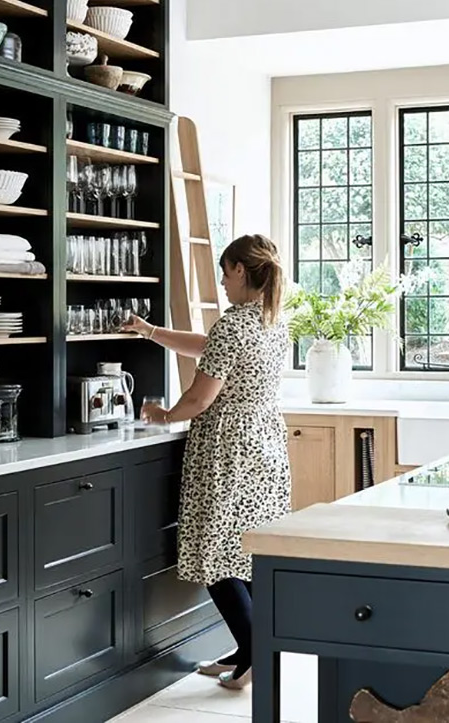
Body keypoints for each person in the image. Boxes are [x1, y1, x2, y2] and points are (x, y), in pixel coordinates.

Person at [123, 234, 291, 690]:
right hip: (263, 446)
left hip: (227, 450)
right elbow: (208, 347)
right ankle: (253, 649)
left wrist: (163, 415)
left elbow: (200, 397)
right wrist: (150, 331)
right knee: (248, 554)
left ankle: (255, 655)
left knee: (214, 553)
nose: (221, 279)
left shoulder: (234, 325)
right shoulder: (272, 320)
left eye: (225, 270)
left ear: (241, 270)